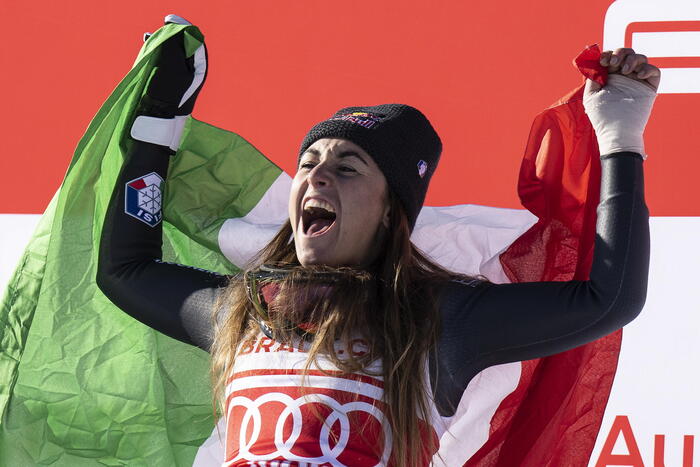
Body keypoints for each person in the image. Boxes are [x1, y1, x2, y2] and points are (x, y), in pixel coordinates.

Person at [96, 15, 659, 467]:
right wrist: (157, 123)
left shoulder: (439, 321)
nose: (315, 176)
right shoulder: (240, 313)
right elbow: (124, 269)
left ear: (392, 212)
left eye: (347, 167)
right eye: (309, 163)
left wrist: (620, 134)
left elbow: (607, 300)